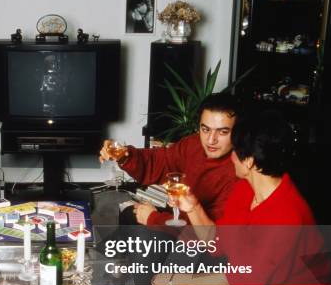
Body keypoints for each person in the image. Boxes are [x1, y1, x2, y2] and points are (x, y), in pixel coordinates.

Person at [127, 111, 331, 285]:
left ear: (249, 161)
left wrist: (178, 281)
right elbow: (218, 244)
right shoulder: (247, 189)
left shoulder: (286, 214)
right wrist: (194, 207)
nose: (231, 156)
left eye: (236, 151)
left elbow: (242, 282)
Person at [99, 93, 240, 226]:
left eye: (223, 132)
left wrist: (153, 218)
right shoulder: (193, 144)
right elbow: (158, 161)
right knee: (129, 215)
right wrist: (123, 155)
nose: (211, 140)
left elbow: (212, 238)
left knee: (141, 233)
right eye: (206, 129)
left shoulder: (240, 171)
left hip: (199, 239)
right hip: (181, 219)